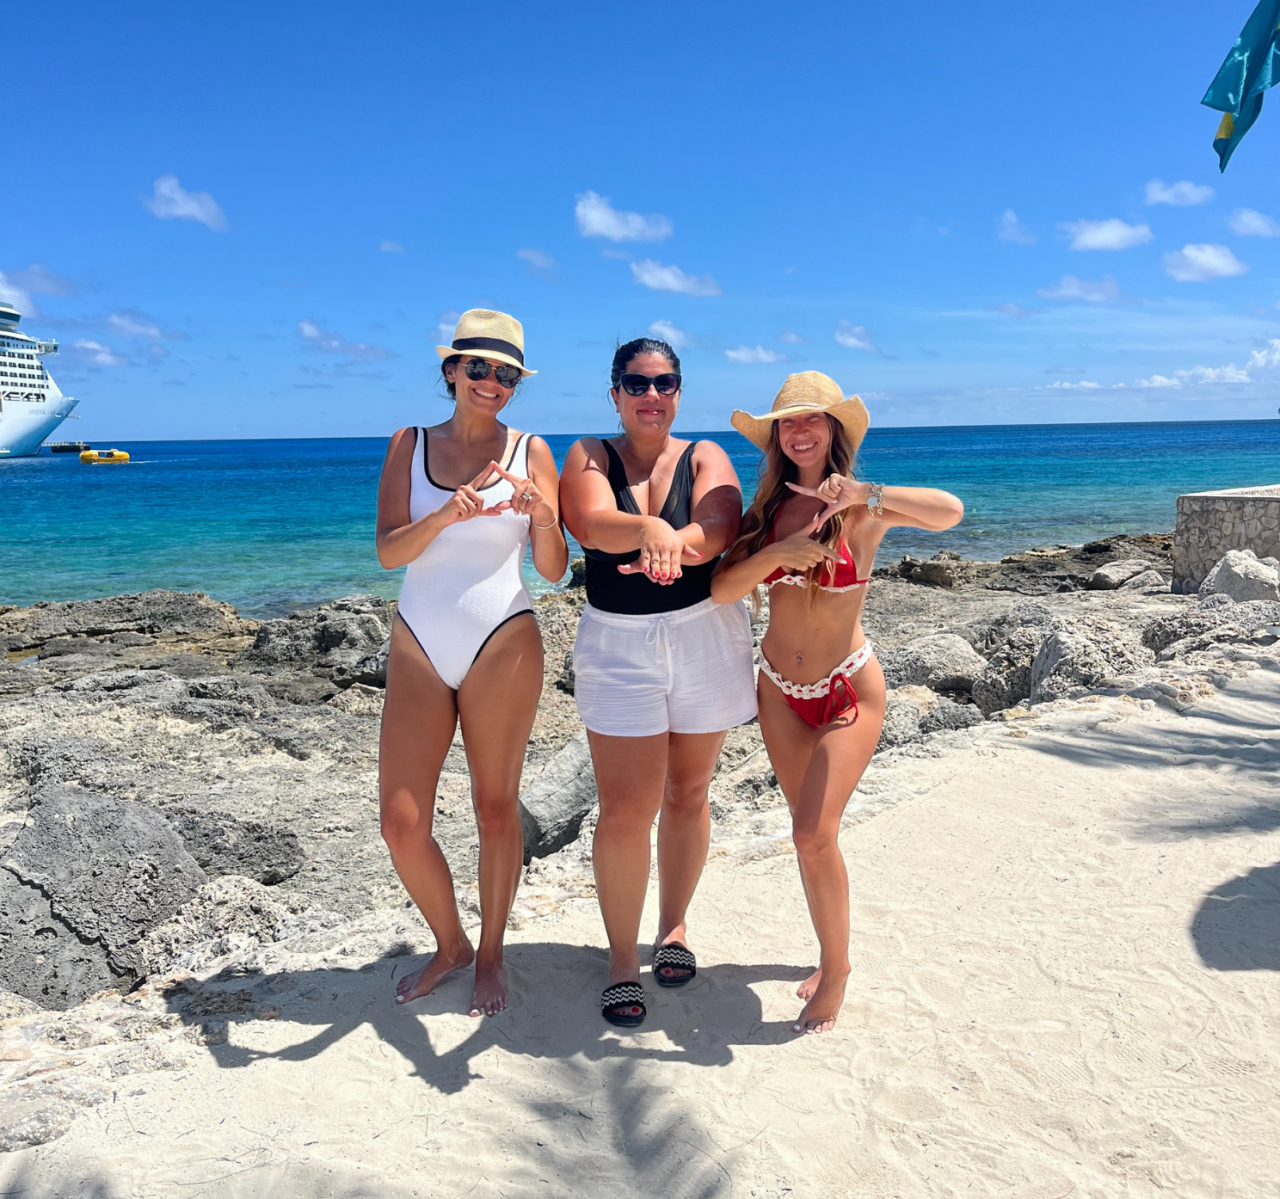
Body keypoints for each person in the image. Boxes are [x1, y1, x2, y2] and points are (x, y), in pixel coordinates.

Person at [712, 372, 963, 1034]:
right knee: (811, 838)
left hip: (848, 684)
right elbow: (723, 589)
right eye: (787, 422)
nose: (799, 431)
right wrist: (779, 552)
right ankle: (829, 954)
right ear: (775, 437)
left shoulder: (862, 509)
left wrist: (864, 491)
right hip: (778, 690)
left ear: (833, 431)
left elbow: (949, 511)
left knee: (811, 831)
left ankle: (839, 967)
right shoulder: (762, 515)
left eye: (813, 419)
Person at [559, 337, 757, 1028]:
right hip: (617, 642)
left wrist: (671, 541)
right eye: (637, 383)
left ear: (679, 390)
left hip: (704, 633)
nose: (652, 395)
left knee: (688, 790)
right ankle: (620, 960)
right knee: (622, 808)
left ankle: (672, 928)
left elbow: (721, 525)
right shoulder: (589, 453)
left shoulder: (704, 454)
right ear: (614, 391)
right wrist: (652, 526)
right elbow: (586, 521)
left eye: (665, 382)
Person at [375, 309, 568, 1017]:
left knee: (494, 808)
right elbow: (391, 551)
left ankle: (491, 952)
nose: (491, 382)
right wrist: (444, 517)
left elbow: (554, 569)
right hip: (419, 641)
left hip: (503, 639)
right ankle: (450, 941)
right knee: (401, 823)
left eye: (506, 373)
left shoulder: (532, 451)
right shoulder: (408, 442)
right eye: (478, 367)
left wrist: (543, 517)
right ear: (452, 370)